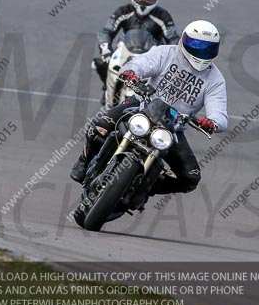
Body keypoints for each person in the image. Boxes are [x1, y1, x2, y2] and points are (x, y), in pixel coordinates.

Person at [72, 20, 228, 197]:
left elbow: (220, 114)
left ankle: (143, 189)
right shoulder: (165, 53)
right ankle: (84, 161)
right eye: (197, 45)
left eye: (208, 48)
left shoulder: (215, 79)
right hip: (141, 105)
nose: (201, 51)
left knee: (190, 177)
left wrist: (212, 123)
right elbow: (139, 64)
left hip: (172, 128)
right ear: (185, 40)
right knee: (98, 126)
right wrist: (131, 73)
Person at [93, 0, 179, 104]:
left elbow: (173, 38)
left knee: (168, 75)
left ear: (156, 0)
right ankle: (109, 89)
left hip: (152, 55)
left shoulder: (163, 15)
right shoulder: (123, 11)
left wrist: (173, 57)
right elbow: (106, 31)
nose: (143, 2)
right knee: (102, 64)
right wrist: (105, 50)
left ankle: (159, 101)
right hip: (125, 50)